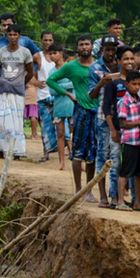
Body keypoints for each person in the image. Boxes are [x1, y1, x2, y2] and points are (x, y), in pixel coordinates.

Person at [47, 35, 97, 197]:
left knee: (92, 153)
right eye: (81, 44)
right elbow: (51, 80)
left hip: (97, 112)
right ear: (77, 48)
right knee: (78, 151)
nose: (84, 47)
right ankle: (78, 189)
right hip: (81, 110)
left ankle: (88, 190)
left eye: (87, 44)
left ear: (91, 47)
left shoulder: (98, 65)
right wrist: (68, 94)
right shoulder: (71, 66)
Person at [0, 24, 34, 159]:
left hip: (18, 93)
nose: (13, 37)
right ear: (6, 36)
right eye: (10, 34)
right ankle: (1, 149)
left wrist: (20, 83)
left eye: (15, 34)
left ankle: (17, 151)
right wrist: (3, 81)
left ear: (19, 36)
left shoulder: (25, 52)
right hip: (3, 91)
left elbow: (30, 72)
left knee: (15, 121)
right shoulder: (1, 52)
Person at [89, 36, 122, 207]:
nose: (110, 53)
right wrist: (102, 82)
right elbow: (91, 95)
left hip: (121, 117)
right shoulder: (95, 67)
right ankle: (102, 195)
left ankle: (115, 196)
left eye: (113, 49)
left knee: (117, 157)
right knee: (102, 155)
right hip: (102, 117)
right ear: (102, 50)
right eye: (107, 49)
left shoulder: (122, 65)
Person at [116, 70, 140, 211]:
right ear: (127, 84)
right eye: (134, 84)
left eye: (138, 84)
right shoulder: (124, 101)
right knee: (125, 171)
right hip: (129, 141)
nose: (136, 87)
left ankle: (137, 201)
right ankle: (120, 201)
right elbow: (122, 123)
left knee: (139, 172)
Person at [0, 12, 42, 77]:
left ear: (14, 24)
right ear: (1, 26)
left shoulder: (25, 41)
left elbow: (39, 55)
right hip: (3, 82)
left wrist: (30, 72)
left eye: (9, 24)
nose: (6, 27)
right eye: (4, 25)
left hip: (22, 83)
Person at [46, 44, 72, 171]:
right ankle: (62, 162)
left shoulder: (70, 67)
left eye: (54, 53)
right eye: (50, 53)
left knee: (74, 133)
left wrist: (59, 86)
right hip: (59, 106)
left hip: (72, 104)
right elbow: (51, 91)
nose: (52, 56)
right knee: (60, 133)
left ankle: (76, 160)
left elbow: (74, 83)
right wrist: (66, 87)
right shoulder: (51, 71)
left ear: (61, 53)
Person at [36, 40, 63, 161]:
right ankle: (46, 152)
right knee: (45, 125)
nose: (47, 42)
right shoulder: (37, 56)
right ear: (41, 41)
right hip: (42, 96)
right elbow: (28, 69)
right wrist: (34, 82)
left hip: (58, 97)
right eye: (45, 40)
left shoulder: (63, 65)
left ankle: (67, 152)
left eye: (50, 40)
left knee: (62, 126)